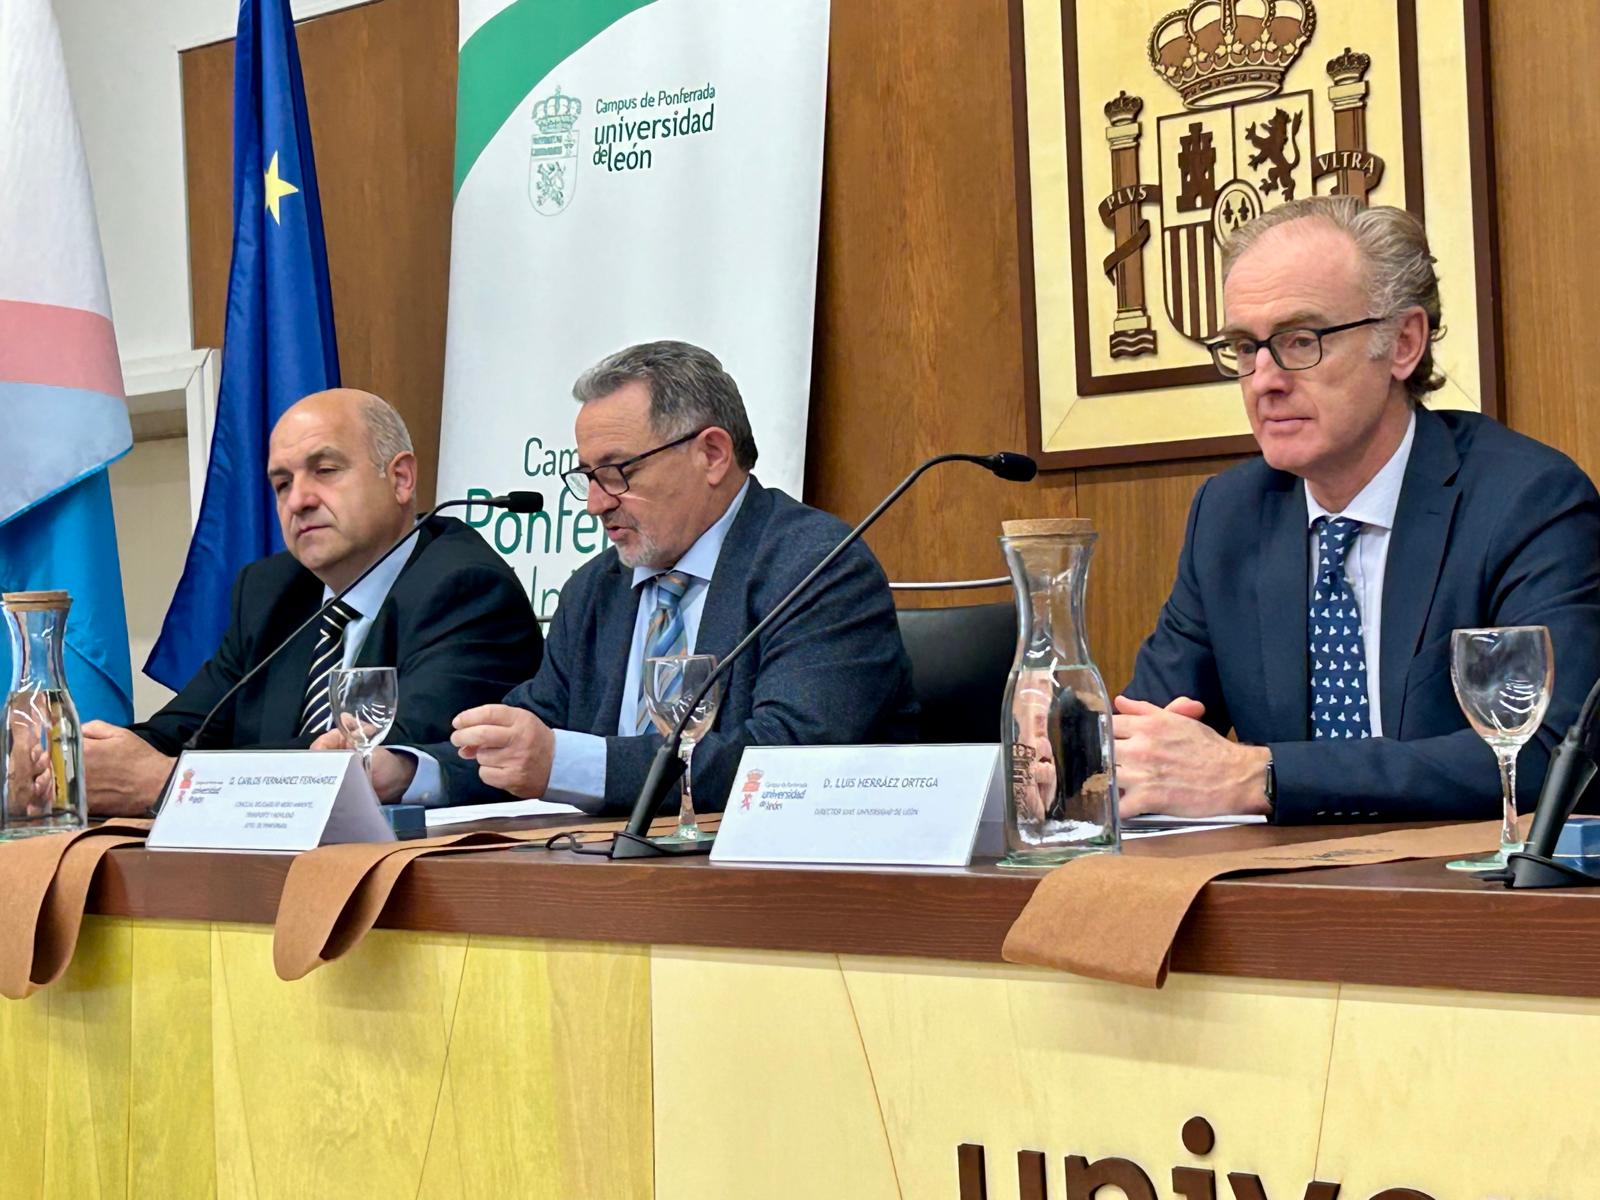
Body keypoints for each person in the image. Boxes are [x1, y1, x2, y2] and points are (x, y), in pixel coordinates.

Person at [1115, 197, 1600, 823]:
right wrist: (1071, 746)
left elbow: (1548, 752)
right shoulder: (1230, 516)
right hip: (1277, 895)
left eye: (1299, 340)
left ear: (1402, 344)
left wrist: (1265, 777)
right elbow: (1154, 734)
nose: (1264, 379)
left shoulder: (1525, 500)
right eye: (1244, 347)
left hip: (1467, 899)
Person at [349, 340, 917, 814]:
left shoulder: (816, 566)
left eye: (617, 472)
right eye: (588, 476)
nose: (595, 504)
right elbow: (530, 735)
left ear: (712, 454)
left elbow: (788, 761)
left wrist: (569, 764)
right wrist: (406, 772)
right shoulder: (596, 589)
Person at [82, 388, 543, 815]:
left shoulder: (466, 588)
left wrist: (169, 783)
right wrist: (75, 765)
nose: (298, 500)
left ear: (400, 478)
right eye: (282, 483)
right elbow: (181, 733)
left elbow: (374, 762)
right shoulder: (269, 591)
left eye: (324, 470)